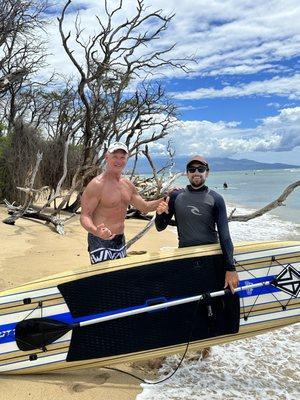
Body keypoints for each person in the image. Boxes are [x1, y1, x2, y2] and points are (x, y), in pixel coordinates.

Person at [155, 155, 239, 360]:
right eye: (192, 169)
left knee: (211, 303)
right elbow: (160, 226)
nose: (196, 173)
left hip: (211, 259)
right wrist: (159, 213)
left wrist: (230, 267)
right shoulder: (176, 197)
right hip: (185, 258)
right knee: (187, 303)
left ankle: (206, 350)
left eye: (200, 169)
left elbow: (225, 236)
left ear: (207, 173)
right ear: (187, 173)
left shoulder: (216, 198)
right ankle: (184, 343)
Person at [80, 142, 164, 264]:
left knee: (118, 278)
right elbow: (85, 216)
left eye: (122, 157)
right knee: (103, 279)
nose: (118, 160)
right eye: (115, 156)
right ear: (107, 157)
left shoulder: (127, 185)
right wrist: (95, 231)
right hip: (100, 240)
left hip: (120, 239)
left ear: (126, 159)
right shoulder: (97, 185)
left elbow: (144, 207)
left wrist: (167, 198)